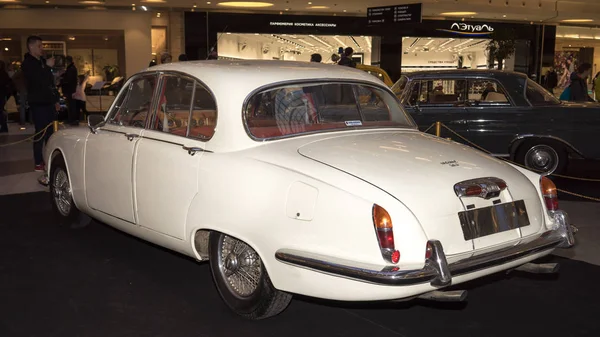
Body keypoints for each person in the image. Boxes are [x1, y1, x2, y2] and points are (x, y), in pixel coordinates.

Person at [21, 35, 60, 172]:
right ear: (31, 47)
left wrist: (56, 100)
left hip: (48, 101)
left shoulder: (42, 62)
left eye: (42, 46)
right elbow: (36, 80)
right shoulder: (28, 63)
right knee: (41, 132)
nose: (41, 48)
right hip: (38, 103)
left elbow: (49, 83)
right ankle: (38, 161)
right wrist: (46, 67)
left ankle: (49, 158)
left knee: (51, 132)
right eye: (39, 46)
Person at [60, 55, 78, 125]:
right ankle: (71, 119)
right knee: (70, 105)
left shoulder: (71, 69)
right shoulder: (71, 68)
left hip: (69, 90)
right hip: (71, 89)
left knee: (71, 105)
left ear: (67, 61)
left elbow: (68, 80)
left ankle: (72, 120)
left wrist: (61, 80)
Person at [0, 60, 13, 133]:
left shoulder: (3, 74)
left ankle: (4, 126)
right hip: (3, 94)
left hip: (1, 94)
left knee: (1, 111)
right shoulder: (4, 74)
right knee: (1, 111)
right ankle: (4, 126)